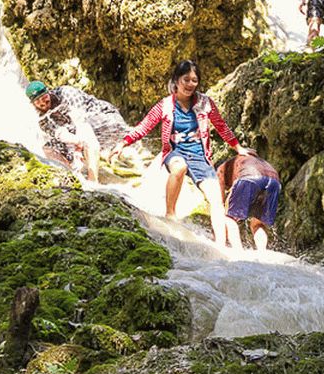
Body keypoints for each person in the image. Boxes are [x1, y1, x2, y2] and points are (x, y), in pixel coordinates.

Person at [108, 61, 253, 244]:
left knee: (216, 198)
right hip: (175, 152)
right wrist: (122, 144)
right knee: (179, 167)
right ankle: (170, 213)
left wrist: (238, 148)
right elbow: (144, 127)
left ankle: (220, 246)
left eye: (194, 80)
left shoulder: (205, 103)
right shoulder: (165, 105)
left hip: (200, 156)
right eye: (186, 79)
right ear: (176, 80)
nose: (190, 84)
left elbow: (221, 126)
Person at [25, 80, 129, 182]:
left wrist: (78, 148)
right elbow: (61, 134)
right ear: (33, 103)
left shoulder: (67, 94)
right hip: (77, 130)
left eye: (44, 97)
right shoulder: (40, 118)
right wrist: (74, 145)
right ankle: (74, 179)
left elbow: (81, 122)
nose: (43, 102)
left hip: (106, 119)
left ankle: (93, 182)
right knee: (48, 148)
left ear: (48, 92)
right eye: (37, 101)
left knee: (86, 132)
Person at [217, 154, 281, 251]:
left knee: (229, 217)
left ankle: (238, 251)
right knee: (258, 222)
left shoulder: (220, 170)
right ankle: (262, 251)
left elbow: (219, 203)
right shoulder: (247, 160)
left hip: (248, 176)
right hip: (274, 181)